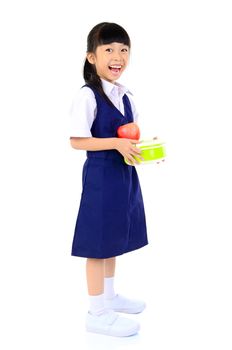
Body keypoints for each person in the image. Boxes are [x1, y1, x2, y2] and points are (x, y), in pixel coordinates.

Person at [69, 22, 148, 337]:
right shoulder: (87, 96)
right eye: (109, 50)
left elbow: (128, 136)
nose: (118, 56)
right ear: (92, 57)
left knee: (114, 236)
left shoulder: (126, 96)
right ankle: (96, 312)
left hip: (123, 173)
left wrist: (139, 149)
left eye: (124, 49)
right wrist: (116, 144)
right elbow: (77, 140)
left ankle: (110, 296)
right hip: (101, 175)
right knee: (97, 243)